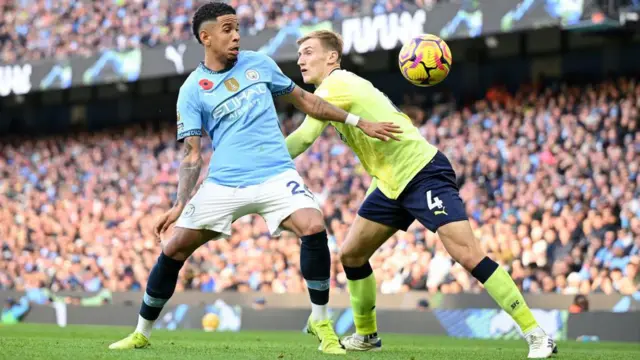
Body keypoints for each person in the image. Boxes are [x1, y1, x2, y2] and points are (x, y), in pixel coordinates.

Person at [108, 3, 401, 354]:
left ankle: (321, 322)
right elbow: (191, 154)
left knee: (313, 225)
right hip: (224, 183)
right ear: (206, 37)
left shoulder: (258, 63)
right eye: (228, 29)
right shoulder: (192, 90)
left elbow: (307, 101)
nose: (236, 36)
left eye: (237, 28)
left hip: (275, 173)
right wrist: (179, 203)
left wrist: (358, 122)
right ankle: (141, 332)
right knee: (173, 249)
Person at [286, 29, 558, 359]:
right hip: (389, 183)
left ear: (331, 57)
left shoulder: (336, 85)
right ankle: (367, 335)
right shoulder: (335, 88)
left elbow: (302, 139)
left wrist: (256, 162)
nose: (301, 59)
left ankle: (536, 334)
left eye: (308, 52)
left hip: (422, 172)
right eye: (299, 54)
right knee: (352, 254)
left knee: (468, 255)